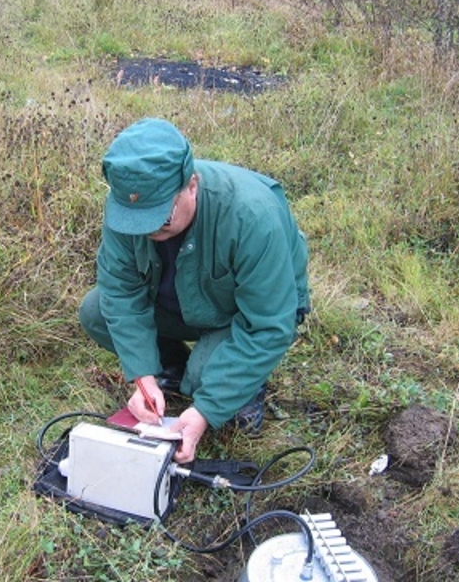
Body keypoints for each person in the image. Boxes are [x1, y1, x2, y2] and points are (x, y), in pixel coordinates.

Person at [79, 118, 310, 463]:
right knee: (96, 311)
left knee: (205, 378)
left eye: (162, 218)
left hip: (242, 316)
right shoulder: (130, 206)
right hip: (183, 304)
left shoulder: (251, 216)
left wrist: (204, 412)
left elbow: (268, 324)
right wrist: (143, 378)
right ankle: (168, 372)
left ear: (192, 185)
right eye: (138, 221)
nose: (148, 230)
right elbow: (120, 293)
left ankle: (238, 384)